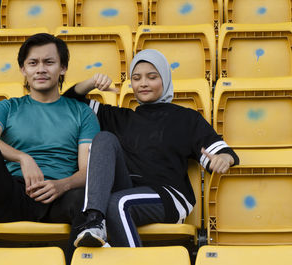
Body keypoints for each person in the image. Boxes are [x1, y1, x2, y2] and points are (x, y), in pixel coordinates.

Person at [63, 49, 240, 247]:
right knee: (103, 139)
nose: (144, 83)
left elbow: (223, 153)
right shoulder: (121, 118)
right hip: (129, 189)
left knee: (116, 203)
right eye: (137, 78)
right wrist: (91, 83)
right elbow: (68, 104)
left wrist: (223, 159)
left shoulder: (186, 118)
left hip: (168, 194)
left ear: (164, 79)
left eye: (152, 77)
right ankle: (94, 221)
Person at [0, 33, 100, 259]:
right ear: (23, 69)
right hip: (13, 194)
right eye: (33, 63)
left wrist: (62, 185)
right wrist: (23, 158)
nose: (40, 69)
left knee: (82, 200)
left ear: (63, 68)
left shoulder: (83, 113)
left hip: (58, 198)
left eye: (49, 62)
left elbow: (88, 170)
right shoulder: (7, 107)